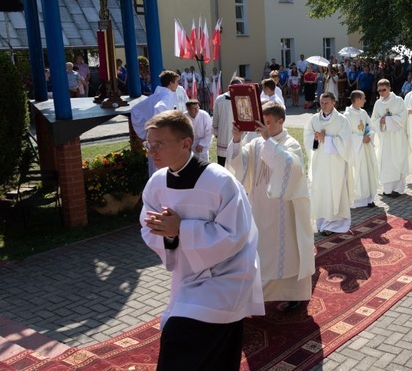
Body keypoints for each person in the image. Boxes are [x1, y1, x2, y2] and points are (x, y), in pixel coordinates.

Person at [139, 110, 264, 369]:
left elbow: (236, 235)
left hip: (226, 278)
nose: (152, 151)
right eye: (148, 144)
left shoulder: (220, 181)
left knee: (179, 341)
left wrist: (181, 229)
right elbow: (148, 227)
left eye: (158, 144)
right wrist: (169, 234)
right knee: (217, 355)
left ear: (186, 143)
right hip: (187, 279)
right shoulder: (156, 183)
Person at [227, 102, 315, 311]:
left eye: (267, 123)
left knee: (287, 253)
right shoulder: (256, 143)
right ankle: (257, 296)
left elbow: (292, 169)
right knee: (260, 252)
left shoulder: (289, 143)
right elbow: (239, 165)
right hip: (259, 208)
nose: (262, 128)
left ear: (280, 121)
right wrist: (237, 139)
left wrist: (268, 141)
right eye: (261, 123)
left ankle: (295, 295)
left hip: (282, 210)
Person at [303, 92, 354, 235]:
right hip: (320, 162)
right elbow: (307, 136)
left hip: (335, 163)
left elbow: (346, 142)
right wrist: (315, 138)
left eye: (326, 102)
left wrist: (327, 139)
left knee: (334, 191)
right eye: (321, 102)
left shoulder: (342, 120)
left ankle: (334, 223)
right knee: (320, 190)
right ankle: (321, 221)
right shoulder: (314, 119)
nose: (323, 105)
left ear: (334, 103)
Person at [131, 70, 182, 175]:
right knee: (163, 167)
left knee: (156, 166)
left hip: (153, 138)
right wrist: (163, 129)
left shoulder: (156, 94)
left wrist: (146, 131)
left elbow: (136, 110)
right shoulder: (166, 95)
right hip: (161, 139)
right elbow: (159, 108)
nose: (178, 85)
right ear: (170, 83)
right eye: (176, 82)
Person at [371, 79, 410, 197]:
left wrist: (387, 120)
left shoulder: (398, 100)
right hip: (385, 137)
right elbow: (374, 120)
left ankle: (398, 189)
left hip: (397, 137)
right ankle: (387, 189)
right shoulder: (378, 103)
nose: (381, 93)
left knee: (397, 160)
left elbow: (403, 117)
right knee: (386, 162)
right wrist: (381, 121)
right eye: (379, 90)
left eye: (384, 90)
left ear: (389, 88)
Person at [344, 90, 379, 208]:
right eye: (363, 98)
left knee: (368, 171)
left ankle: (369, 198)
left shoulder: (363, 113)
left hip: (366, 149)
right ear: (357, 100)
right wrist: (360, 139)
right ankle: (357, 199)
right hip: (356, 150)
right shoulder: (347, 116)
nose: (365, 100)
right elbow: (346, 134)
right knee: (358, 172)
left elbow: (371, 126)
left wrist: (370, 135)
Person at [212, 76, 244, 168]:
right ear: (230, 87)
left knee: (237, 163)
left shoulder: (243, 98)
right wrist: (216, 131)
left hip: (238, 135)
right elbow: (216, 117)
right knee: (223, 164)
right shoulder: (220, 99)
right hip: (224, 135)